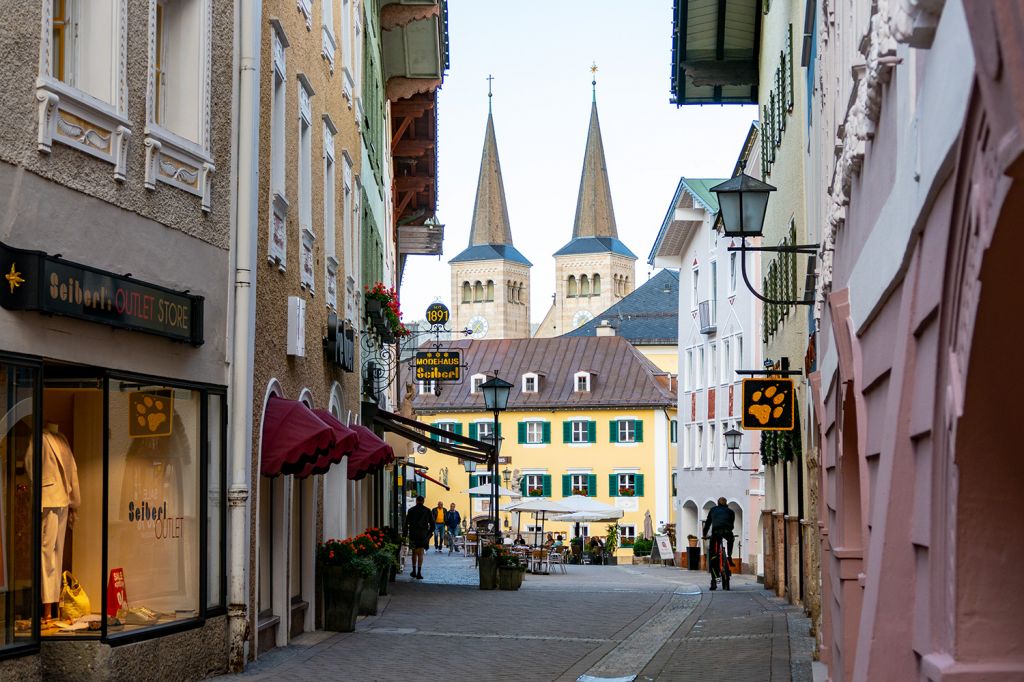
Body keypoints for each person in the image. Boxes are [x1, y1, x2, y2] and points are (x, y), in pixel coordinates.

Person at [702, 497, 736, 590]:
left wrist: (704, 535)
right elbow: (732, 525)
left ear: (717, 503)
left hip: (716, 534)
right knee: (731, 539)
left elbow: (708, 523)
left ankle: (714, 582)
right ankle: (729, 556)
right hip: (727, 532)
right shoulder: (731, 511)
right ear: (726, 504)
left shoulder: (713, 510)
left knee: (713, 557)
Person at [405, 496, 433, 580]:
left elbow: (406, 523)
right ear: (423, 501)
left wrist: (405, 534)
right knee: (421, 553)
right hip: (423, 534)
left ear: (416, 501)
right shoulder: (427, 510)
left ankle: (413, 571)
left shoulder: (411, 510)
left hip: (413, 533)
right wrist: (429, 533)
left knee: (414, 552)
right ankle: (419, 572)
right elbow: (433, 524)